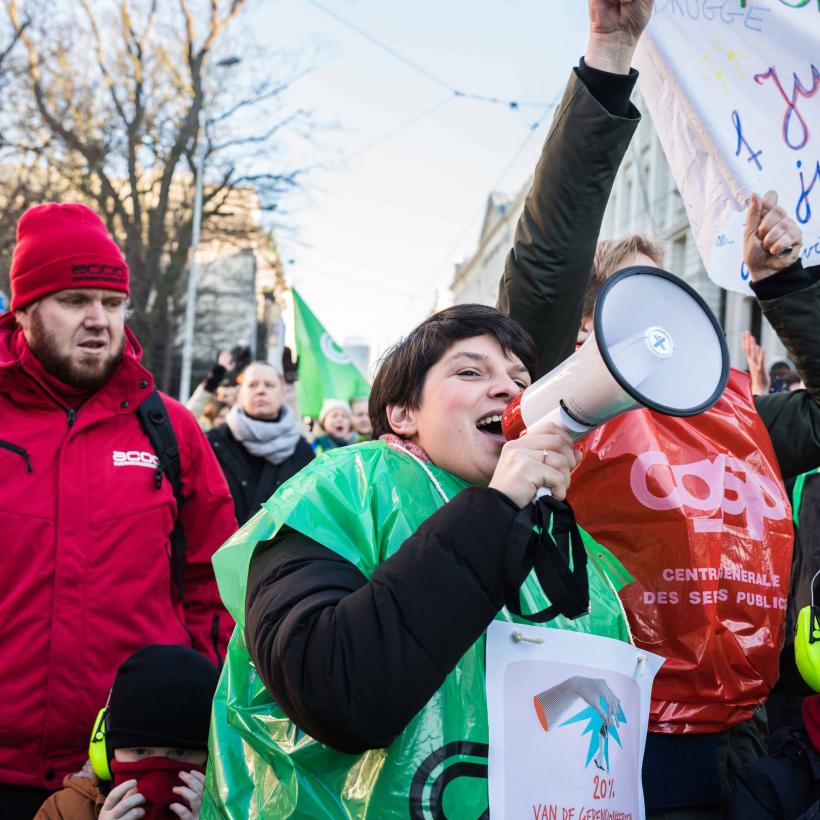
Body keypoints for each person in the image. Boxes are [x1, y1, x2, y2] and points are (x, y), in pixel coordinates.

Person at [202, 304, 633, 818]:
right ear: (403, 414)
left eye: (522, 379)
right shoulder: (342, 488)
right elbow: (334, 690)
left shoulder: (559, 536)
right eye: (471, 371)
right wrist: (493, 513)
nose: (508, 390)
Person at [504, 191, 819, 816]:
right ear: (587, 325)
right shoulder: (556, 408)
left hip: (739, 723)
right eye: (640, 301)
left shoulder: (737, 413)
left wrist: (781, 284)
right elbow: (538, 275)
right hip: (616, 714)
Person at [0, 203, 237, 818]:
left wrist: (196, 719)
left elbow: (218, 592)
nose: (99, 320)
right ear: (24, 310)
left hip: (134, 772)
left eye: (112, 301)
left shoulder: (172, 430)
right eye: (75, 299)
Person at [36, 644, 218, 820]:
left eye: (179, 752)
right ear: (107, 751)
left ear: (213, 760)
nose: (157, 783)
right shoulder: (65, 810)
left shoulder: (240, 809)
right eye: (140, 751)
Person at [208, 360, 314, 526]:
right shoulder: (214, 443)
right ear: (240, 394)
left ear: (282, 394)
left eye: (269, 385)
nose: (261, 390)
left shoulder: (302, 450)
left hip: (282, 551)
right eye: (252, 385)